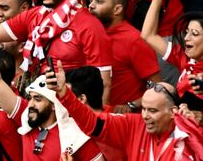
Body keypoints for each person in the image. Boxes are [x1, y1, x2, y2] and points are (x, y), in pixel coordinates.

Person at [0, 15, 104, 160]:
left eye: (37, 99)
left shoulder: (75, 135)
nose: (30, 104)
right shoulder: (25, 117)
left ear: (55, 104)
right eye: (30, 98)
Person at [0, 0, 113, 102]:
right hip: (35, 100)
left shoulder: (91, 26)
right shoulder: (36, 14)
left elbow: (104, 83)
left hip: (69, 107)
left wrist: (96, 120)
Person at [47, 57, 203, 160]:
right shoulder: (134, 124)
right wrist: (64, 94)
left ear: (172, 112)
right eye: (144, 109)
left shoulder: (189, 136)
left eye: (153, 111)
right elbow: (93, 124)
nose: (145, 116)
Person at [88, 0, 161, 112]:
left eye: (99, 1)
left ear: (117, 9)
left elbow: (157, 85)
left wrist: (131, 105)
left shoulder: (133, 39)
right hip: (92, 117)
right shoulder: (90, 34)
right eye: (91, 0)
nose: (91, 5)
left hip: (124, 122)